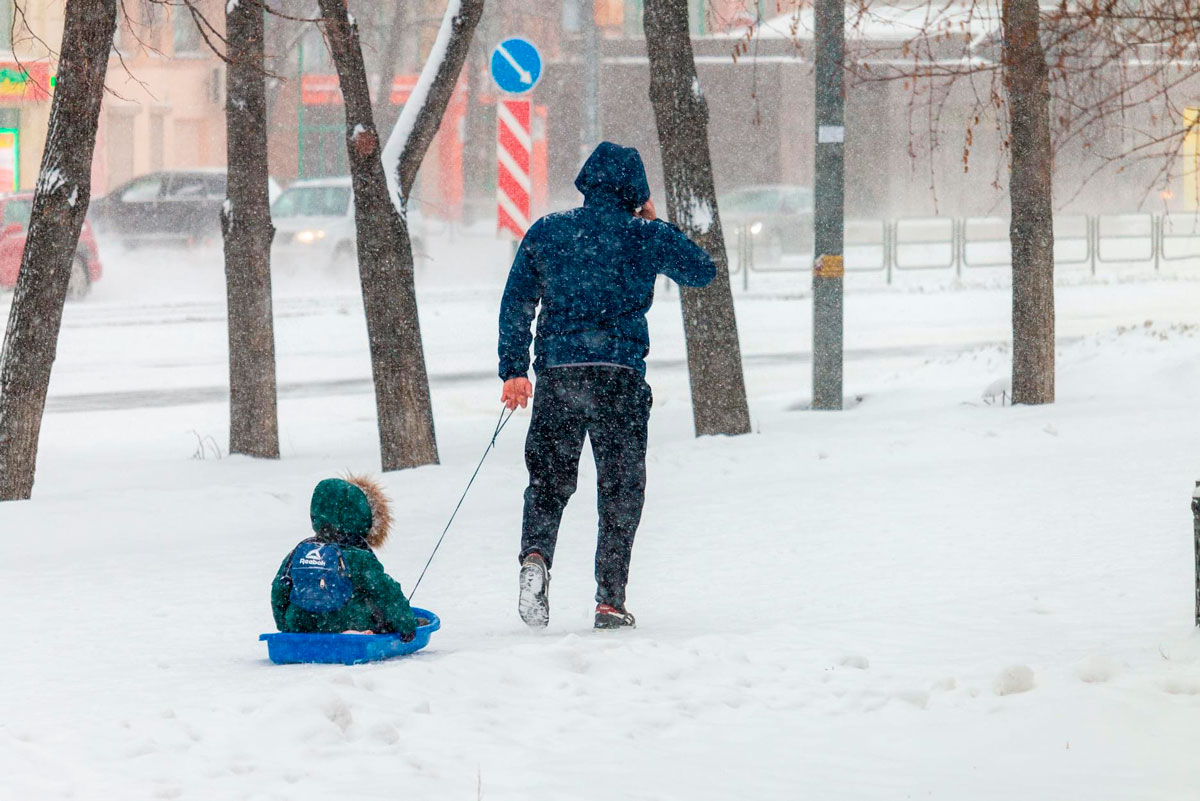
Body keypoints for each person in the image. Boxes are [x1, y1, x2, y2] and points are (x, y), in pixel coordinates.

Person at [497, 141, 717, 631]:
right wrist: (656, 224)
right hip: (619, 378)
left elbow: (517, 301)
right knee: (620, 490)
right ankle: (609, 601)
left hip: (559, 377)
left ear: (587, 184)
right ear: (634, 191)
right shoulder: (645, 235)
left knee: (549, 483)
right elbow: (703, 271)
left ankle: (535, 556)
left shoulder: (549, 232)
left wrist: (514, 368)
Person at [271, 476, 417, 638]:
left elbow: (280, 588)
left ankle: (311, 630)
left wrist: (286, 624)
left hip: (302, 624)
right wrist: (406, 624)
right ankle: (352, 632)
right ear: (360, 516)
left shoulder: (299, 551)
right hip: (348, 620)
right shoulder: (357, 556)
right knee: (373, 605)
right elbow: (385, 592)